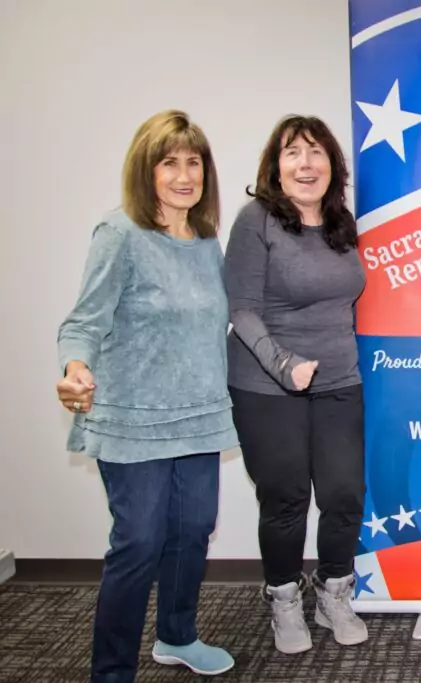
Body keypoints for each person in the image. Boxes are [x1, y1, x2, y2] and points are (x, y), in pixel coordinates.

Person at [56, 110, 237, 682]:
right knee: (138, 543)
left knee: (192, 530)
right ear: (146, 170)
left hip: (199, 415)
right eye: (169, 163)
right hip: (133, 419)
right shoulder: (120, 234)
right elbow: (84, 321)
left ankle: (176, 636)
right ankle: (111, 672)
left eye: (194, 163)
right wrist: (75, 367)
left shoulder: (205, 241)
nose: (185, 176)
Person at [223, 115, 367, 654]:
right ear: (275, 167)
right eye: (292, 153)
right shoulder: (256, 220)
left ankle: (334, 595)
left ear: (332, 165)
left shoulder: (340, 222)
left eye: (316, 152)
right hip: (267, 385)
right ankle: (284, 600)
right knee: (285, 498)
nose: (305, 164)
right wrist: (284, 364)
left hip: (339, 381)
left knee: (344, 494)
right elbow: (241, 309)